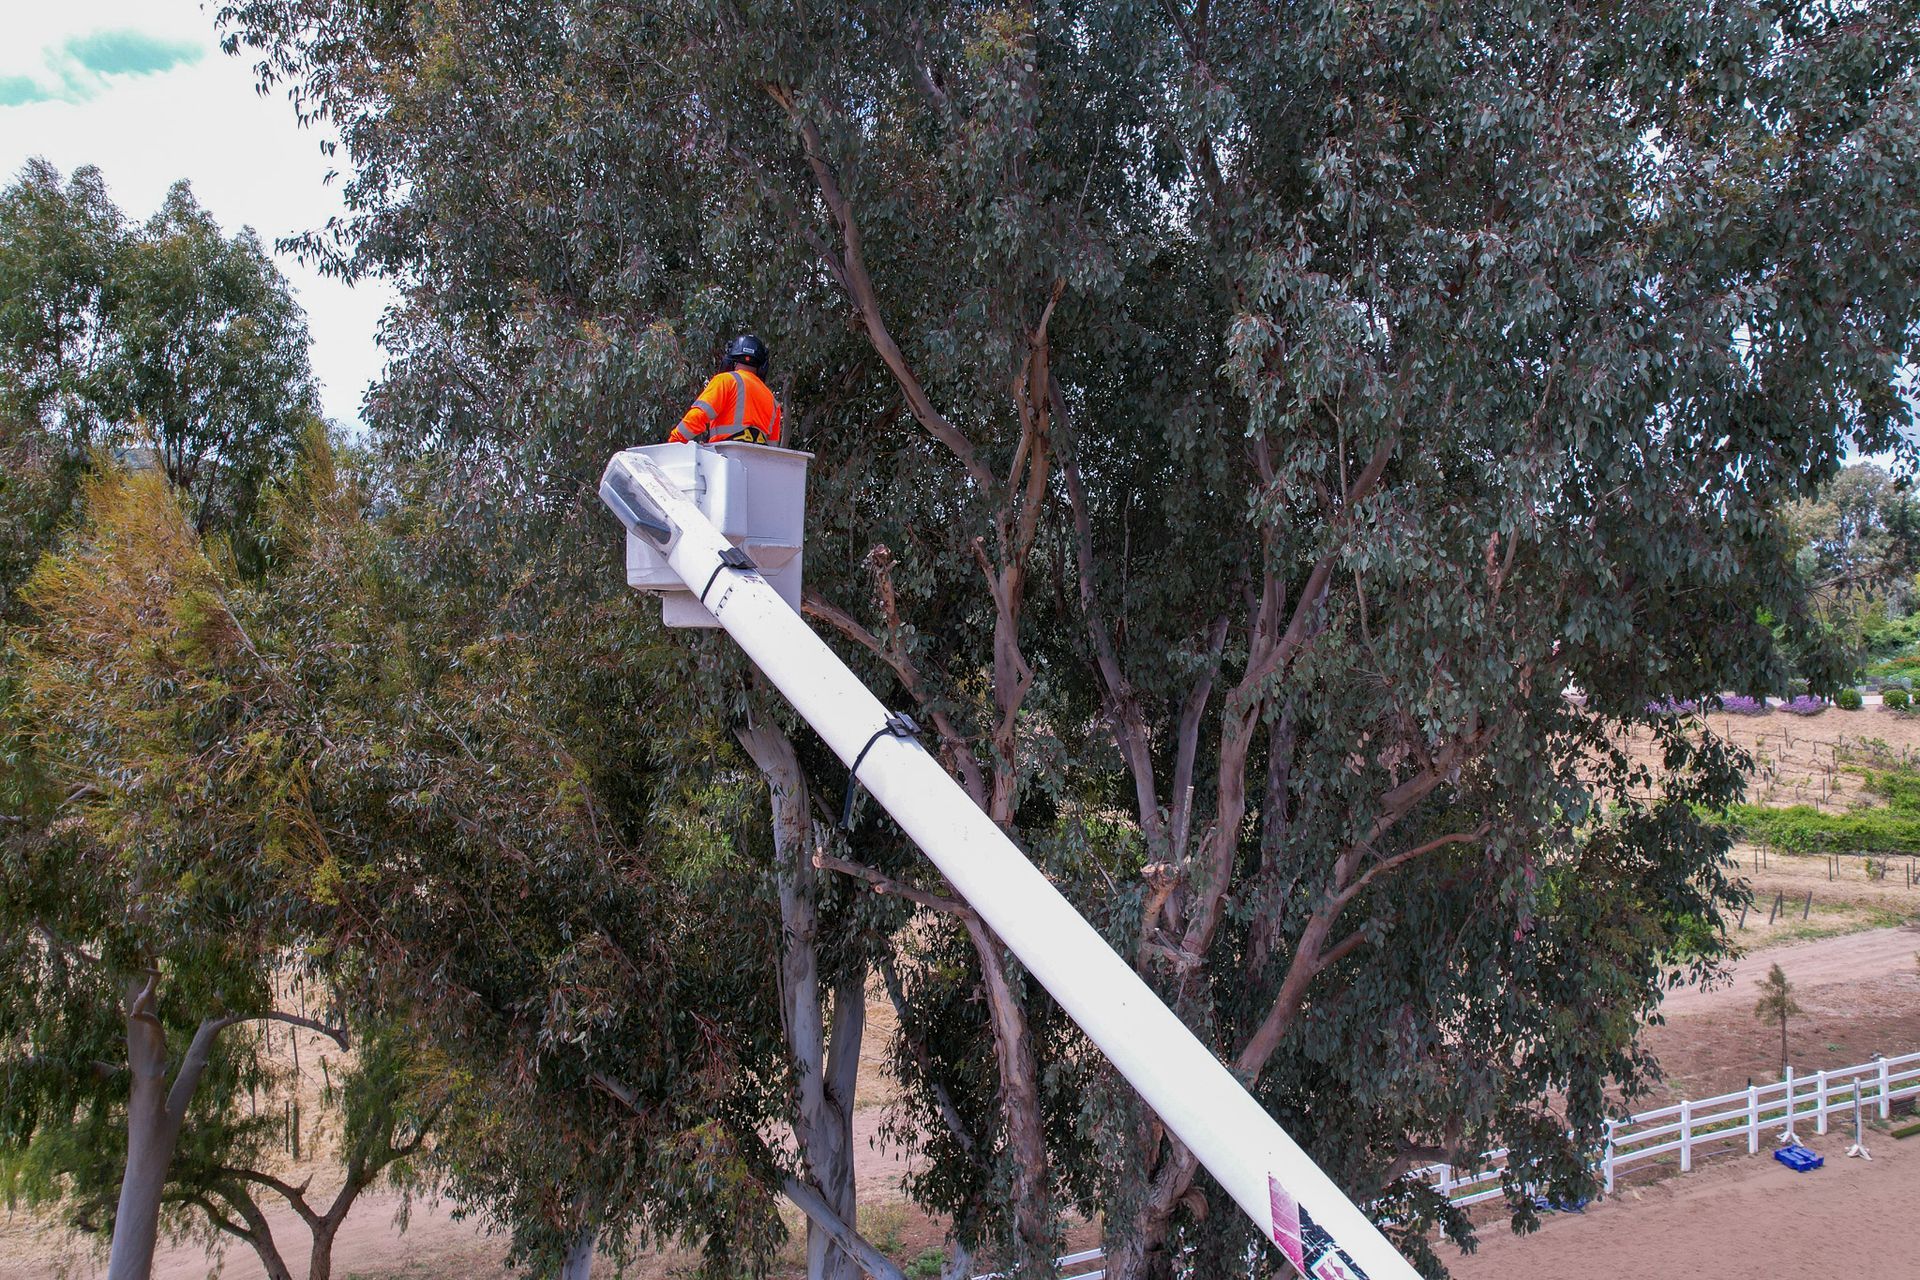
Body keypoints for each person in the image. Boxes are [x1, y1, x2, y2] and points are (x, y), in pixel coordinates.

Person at [668, 334, 784, 445]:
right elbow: (772, 448)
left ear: (731, 360)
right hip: (756, 463)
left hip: (725, 458)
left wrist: (674, 442)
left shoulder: (726, 380)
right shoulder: (773, 402)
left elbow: (698, 416)